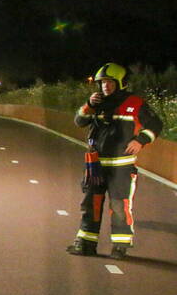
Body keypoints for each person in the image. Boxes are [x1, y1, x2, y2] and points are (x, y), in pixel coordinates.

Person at [66, 62, 163, 259]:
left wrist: (140, 140)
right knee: (90, 204)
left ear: (120, 83)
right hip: (95, 164)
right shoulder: (97, 101)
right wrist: (89, 105)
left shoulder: (134, 102)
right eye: (102, 83)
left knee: (119, 205)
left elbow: (155, 124)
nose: (105, 86)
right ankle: (86, 244)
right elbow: (79, 121)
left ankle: (120, 246)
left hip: (122, 166)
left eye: (109, 82)